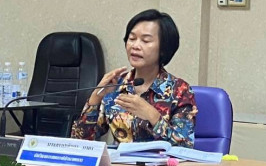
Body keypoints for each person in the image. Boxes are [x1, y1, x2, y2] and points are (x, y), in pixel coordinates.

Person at [71, 9, 197, 147]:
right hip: (118, 161)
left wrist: (153, 116)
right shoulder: (116, 85)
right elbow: (79, 142)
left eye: (145, 40)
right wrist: (96, 97)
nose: (135, 46)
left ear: (163, 49)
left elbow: (185, 147)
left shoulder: (179, 90)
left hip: (159, 162)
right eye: (131, 39)